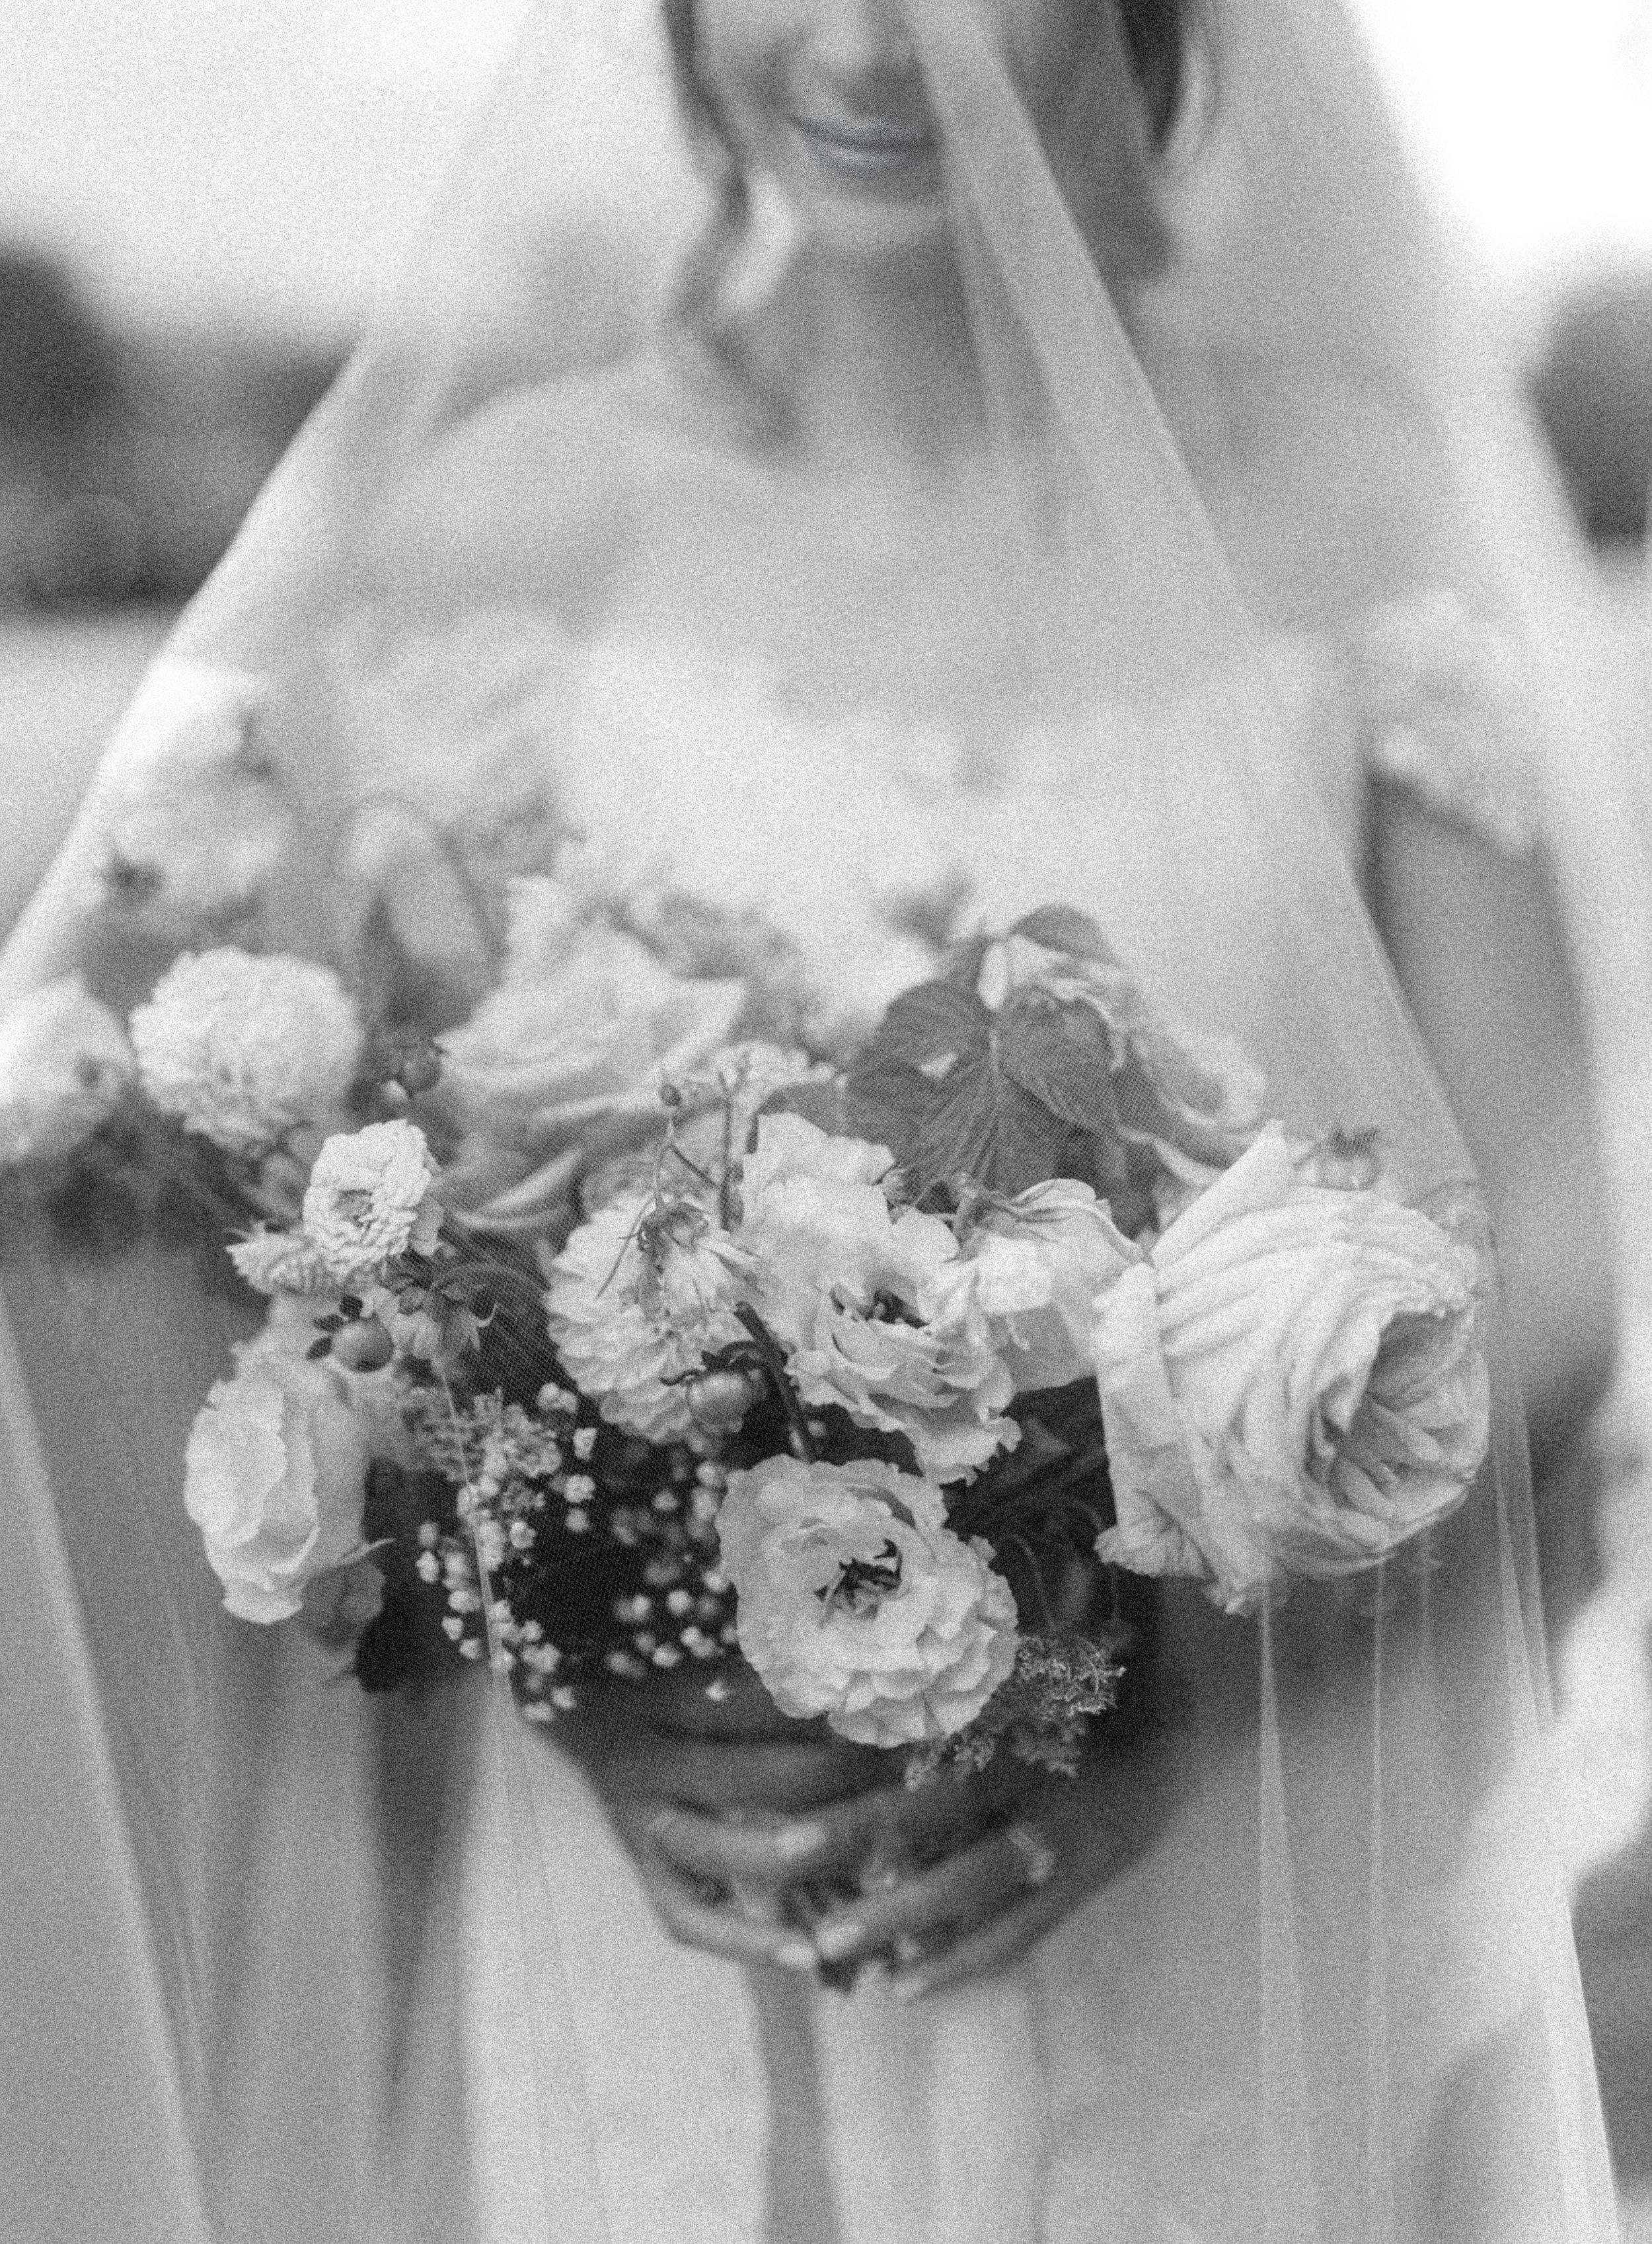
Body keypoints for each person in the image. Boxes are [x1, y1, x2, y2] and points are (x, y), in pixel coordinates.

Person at [0, 2, 1623, 2239]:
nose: (871, 47)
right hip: (679, 1903)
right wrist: (579, 1679)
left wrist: (1173, 1703)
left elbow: (1546, 1253)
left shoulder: (1351, 506)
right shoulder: (514, 523)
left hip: (1242, 1851)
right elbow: (302, 1221)